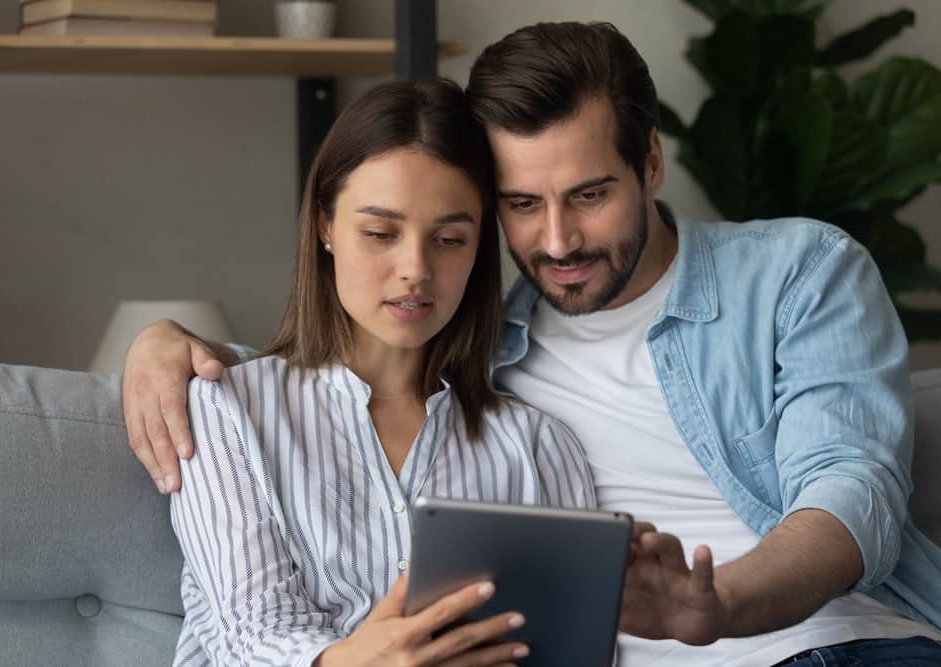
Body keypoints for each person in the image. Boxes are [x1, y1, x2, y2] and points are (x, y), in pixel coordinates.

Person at [123, 21, 941, 666]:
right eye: (521, 203)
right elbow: (348, 366)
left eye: (589, 194)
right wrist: (163, 343)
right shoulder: (493, 347)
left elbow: (851, 487)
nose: (557, 241)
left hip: (840, 640)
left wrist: (720, 603)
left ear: (649, 161)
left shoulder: (799, 270)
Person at [165, 78, 595, 666]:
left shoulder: (539, 447)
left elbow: (575, 649)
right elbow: (248, 635)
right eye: (379, 233)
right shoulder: (228, 410)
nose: (415, 269)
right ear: (325, 227)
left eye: (449, 239)